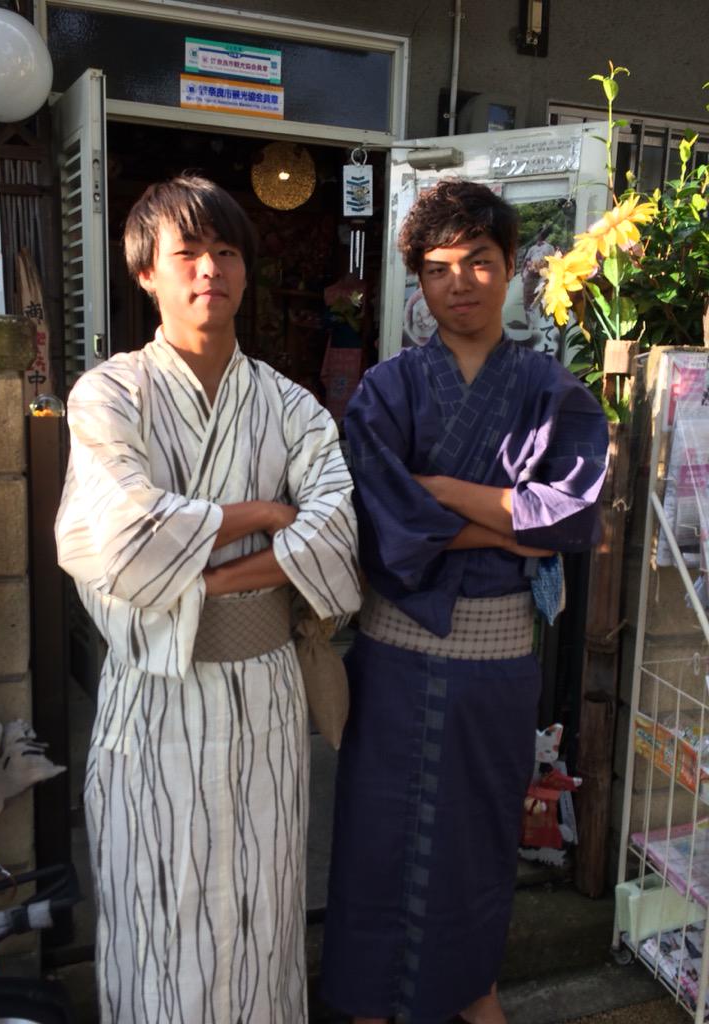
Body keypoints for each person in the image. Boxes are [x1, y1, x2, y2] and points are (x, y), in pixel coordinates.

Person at [55, 174, 361, 1024]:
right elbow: (120, 535)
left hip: (266, 692)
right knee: (157, 911)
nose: (209, 270)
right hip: (154, 698)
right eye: (186, 252)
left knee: (262, 908)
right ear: (145, 272)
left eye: (226, 252)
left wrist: (205, 573)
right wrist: (265, 517)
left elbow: (337, 530)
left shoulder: (291, 406)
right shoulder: (110, 394)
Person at [321, 178, 608, 1024]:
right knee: (375, 838)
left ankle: (474, 993)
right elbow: (379, 522)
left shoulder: (554, 392)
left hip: (495, 662)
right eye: (439, 267)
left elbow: (570, 517)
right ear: (418, 279)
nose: (460, 283)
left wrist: (441, 489)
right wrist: (508, 526)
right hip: (393, 660)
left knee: (478, 839)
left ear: (512, 266)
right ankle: (369, 1004)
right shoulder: (386, 389)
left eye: (479, 261)